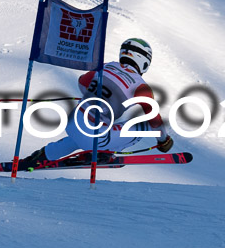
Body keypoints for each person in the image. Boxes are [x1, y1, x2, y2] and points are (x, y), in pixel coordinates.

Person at [18, 38, 173, 170]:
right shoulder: (141, 86)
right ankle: (102, 154)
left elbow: (82, 82)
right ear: (144, 60)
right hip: (95, 136)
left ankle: (43, 155)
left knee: (78, 137)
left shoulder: (106, 65)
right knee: (143, 125)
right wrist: (163, 141)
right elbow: (154, 120)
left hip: (73, 123)